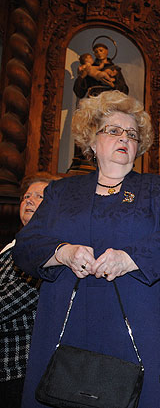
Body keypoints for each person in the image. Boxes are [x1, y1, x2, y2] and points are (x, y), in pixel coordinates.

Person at [13, 90, 160, 407]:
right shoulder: (60, 191)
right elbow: (26, 244)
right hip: (65, 324)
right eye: (114, 130)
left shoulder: (158, 190)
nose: (125, 137)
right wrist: (62, 252)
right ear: (92, 142)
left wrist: (129, 258)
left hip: (139, 321)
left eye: (133, 134)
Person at [0, 173, 59, 408]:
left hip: (18, 368)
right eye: (26, 196)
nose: (29, 200)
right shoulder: (12, 246)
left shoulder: (47, 250)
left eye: (39, 196)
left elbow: (12, 301)